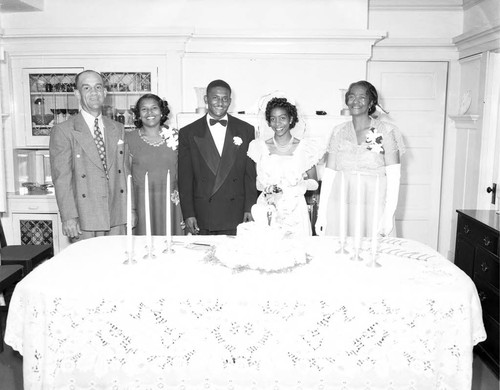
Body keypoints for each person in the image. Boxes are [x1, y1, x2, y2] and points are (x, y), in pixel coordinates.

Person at [316, 80, 405, 237]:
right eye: (351, 96)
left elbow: (394, 177)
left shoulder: (386, 131)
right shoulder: (339, 132)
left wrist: (388, 215)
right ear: (346, 101)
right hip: (342, 204)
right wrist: (321, 214)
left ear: (371, 102)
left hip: (374, 206)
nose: (355, 101)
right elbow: (329, 175)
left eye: (362, 97)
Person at [50, 70, 129, 240]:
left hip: (116, 213)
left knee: (118, 263)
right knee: (87, 265)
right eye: (87, 88)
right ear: (77, 94)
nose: (94, 93)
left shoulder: (118, 128)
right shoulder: (63, 131)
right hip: (84, 217)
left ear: (105, 92)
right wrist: (69, 217)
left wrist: (131, 209)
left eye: (98, 87)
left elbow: (125, 172)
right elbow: (62, 178)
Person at [178, 79, 257, 235]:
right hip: (204, 213)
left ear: (230, 101)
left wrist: (250, 207)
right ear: (206, 99)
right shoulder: (188, 132)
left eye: (225, 98)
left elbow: (250, 175)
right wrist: (188, 213)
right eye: (215, 97)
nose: (220, 102)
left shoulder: (246, 130)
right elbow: (185, 178)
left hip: (236, 211)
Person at [248, 96, 324, 236]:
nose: (277, 123)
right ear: (269, 122)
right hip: (268, 207)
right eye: (273, 118)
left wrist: (293, 188)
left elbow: (314, 183)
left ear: (291, 119)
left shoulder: (305, 149)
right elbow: (258, 184)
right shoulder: (259, 148)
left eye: (282, 118)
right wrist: (270, 190)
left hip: (295, 209)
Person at [125, 94, 183, 236]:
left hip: (172, 203)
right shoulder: (128, 139)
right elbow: (125, 175)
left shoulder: (177, 136)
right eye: (144, 109)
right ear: (138, 114)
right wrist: (131, 208)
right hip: (141, 203)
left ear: (162, 111)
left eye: (154, 108)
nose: (149, 113)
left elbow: (185, 173)